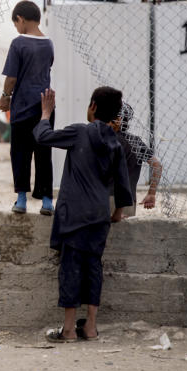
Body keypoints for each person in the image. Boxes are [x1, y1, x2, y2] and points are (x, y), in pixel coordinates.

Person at [33, 87, 132, 342]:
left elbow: (43, 136)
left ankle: (67, 329)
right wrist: (118, 213)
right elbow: (123, 186)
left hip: (74, 214)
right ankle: (90, 326)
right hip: (100, 217)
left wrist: (45, 113)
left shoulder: (80, 132)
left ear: (93, 107)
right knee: (93, 267)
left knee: (70, 268)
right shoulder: (115, 143)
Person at [0, 0, 55, 215]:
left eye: (16, 24)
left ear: (20, 19)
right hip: (45, 107)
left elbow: (11, 77)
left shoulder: (18, 43)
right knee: (43, 153)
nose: (16, 28)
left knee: (20, 153)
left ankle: (21, 200)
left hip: (22, 107)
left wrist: (5, 97)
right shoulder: (48, 43)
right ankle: (47, 201)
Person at [110, 103, 162, 216]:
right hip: (128, 201)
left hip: (102, 199)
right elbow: (157, 165)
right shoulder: (134, 142)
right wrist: (151, 193)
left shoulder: (101, 139)